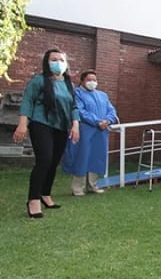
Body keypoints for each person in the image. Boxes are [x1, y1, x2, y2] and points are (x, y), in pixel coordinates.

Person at [13, 48, 80, 218]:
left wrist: (75, 125)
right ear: (47, 62)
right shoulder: (39, 80)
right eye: (54, 59)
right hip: (41, 123)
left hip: (62, 126)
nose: (58, 63)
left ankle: (45, 194)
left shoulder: (68, 84)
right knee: (44, 159)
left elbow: (74, 106)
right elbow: (28, 101)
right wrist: (22, 124)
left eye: (61, 60)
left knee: (54, 161)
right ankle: (33, 199)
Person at [62, 70, 118, 196]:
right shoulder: (77, 93)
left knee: (96, 157)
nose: (92, 82)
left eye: (94, 80)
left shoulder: (103, 95)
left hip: (101, 132)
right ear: (82, 81)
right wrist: (97, 121)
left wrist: (108, 121)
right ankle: (77, 188)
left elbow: (111, 110)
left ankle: (93, 185)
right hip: (85, 130)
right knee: (82, 156)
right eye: (89, 79)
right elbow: (79, 110)